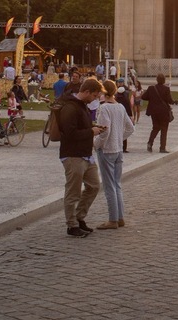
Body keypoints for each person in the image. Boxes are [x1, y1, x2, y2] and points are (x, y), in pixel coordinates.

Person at [57, 77, 106, 237]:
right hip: (73, 155)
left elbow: (82, 126)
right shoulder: (70, 107)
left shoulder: (82, 106)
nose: (95, 100)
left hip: (86, 154)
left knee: (94, 186)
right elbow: (69, 133)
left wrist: (94, 127)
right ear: (86, 92)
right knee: (73, 192)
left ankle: (79, 217)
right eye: (95, 96)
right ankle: (71, 225)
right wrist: (91, 132)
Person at [94, 80, 134, 229]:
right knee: (117, 184)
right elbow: (130, 129)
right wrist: (119, 138)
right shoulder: (120, 107)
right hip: (118, 149)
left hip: (107, 150)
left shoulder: (104, 108)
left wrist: (96, 143)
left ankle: (113, 219)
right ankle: (120, 217)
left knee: (109, 185)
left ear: (103, 92)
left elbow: (105, 130)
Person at [140, 74, 175, 153]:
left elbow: (143, 97)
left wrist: (152, 98)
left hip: (154, 112)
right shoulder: (166, 89)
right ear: (164, 80)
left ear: (157, 80)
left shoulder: (151, 88)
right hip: (164, 112)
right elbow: (169, 100)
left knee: (155, 128)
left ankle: (150, 142)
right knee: (164, 129)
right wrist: (173, 101)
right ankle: (162, 148)